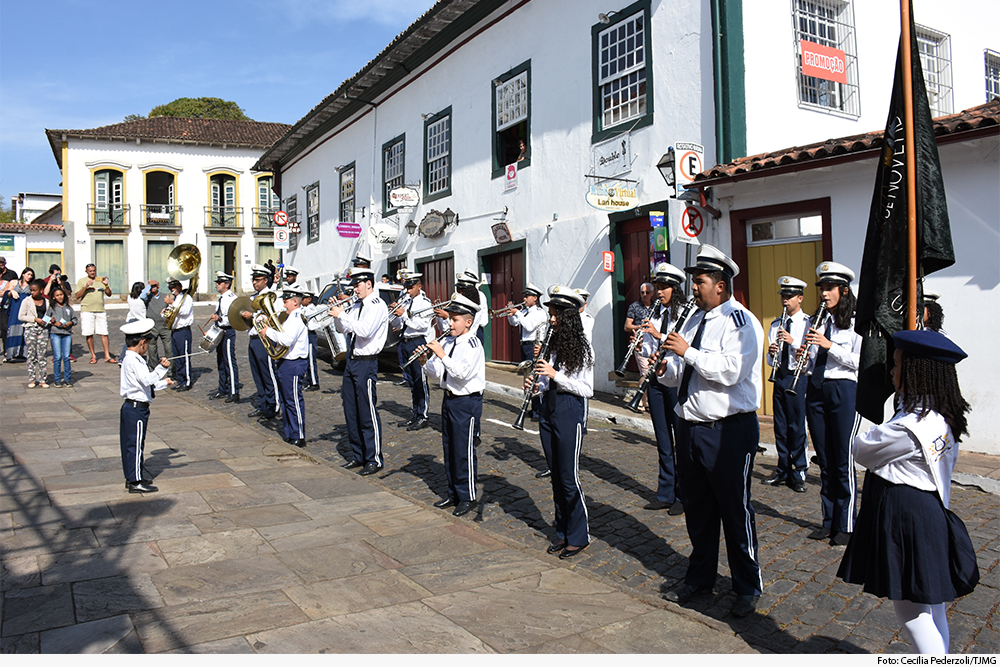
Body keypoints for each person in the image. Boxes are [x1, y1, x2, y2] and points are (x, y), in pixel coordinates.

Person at [838, 329, 976, 654]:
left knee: (911, 611)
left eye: (897, 364)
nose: (891, 371)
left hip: (906, 514)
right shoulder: (938, 414)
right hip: (926, 509)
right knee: (932, 606)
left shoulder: (912, 426)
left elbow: (862, 450)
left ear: (916, 372)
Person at [657, 244, 765, 619]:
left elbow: (731, 371)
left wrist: (687, 353)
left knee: (735, 510)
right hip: (689, 426)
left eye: (700, 281)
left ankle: (747, 585)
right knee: (698, 511)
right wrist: (664, 370)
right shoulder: (691, 320)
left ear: (720, 285)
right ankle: (699, 578)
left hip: (728, 430)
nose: (694, 288)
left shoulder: (741, 321)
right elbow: (680, 372)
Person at [532, 285, 594, 560]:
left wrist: (555, 375)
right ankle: (562, 531)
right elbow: (546, 381)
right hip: (549, 407)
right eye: (551, 315)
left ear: (568, 317)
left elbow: (586, 389)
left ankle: (580, 535)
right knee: (555, 475)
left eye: (556, 315)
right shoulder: (552, 346)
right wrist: (537, 384)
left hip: (569, 409)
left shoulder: (583, 349)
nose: (551, 320)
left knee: (569, 477)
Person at [803, 262, 862, 546]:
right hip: (817, 389)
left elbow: (860, 362)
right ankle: (828, 520)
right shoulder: (819, 320)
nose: (824, 294)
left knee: (842, 459)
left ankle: (846, 524)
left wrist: (829, 346)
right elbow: (815, 361)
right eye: (822, 289)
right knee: (824, 459)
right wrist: (804, 353)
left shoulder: (856, 321)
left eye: (829, 288)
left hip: (843, 389)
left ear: (844, 290)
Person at [420, 293, 486, 517]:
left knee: (463, 450)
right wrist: (425, 360)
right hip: (449, 399)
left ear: (468, 322)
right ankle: (453, 493)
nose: (450, 323)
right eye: (449, 318)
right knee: (449, 448)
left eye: (455, 319)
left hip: (466, 401)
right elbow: (436, 372)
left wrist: (441, 355)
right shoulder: (447, 341)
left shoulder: (473, 345)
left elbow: (462, 373)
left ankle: (468, 496)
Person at [330, 268, 389, 475]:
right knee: (351, 409)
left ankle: (374, 458)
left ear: (369, 284)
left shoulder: (376, 305)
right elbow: (342, 329)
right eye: (353, 286)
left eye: (357, 285)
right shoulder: (357, 305)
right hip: (352, 361)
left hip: (366, 362)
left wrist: (342, 315)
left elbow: (364, 330)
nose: (354, 289)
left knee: (367, 411)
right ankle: (358, 454)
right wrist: (338, 315)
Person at [639, 263, 688, 514]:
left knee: (681, 439)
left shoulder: (685, 314)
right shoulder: (655, 314)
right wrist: (644, 350)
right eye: (657, 287)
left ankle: (683, 494)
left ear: (675, 288)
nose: (659, 292)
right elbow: (650, 347)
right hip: (657, 381)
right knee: (663, 439)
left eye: (664, 288)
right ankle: (665, 491)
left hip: (676, 382)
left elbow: (680, 346)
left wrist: (658, 336)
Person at [763, 276, 811, 493]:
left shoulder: (808, 323)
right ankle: (783, 467)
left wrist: (792, 343)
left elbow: (810, 357)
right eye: (783, 296)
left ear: (799, 298)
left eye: (790, 296)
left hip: (798, 377)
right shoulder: (776, 324)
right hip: (780, 376)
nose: (785, 300)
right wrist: (771, 354)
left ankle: (799, 469)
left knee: (796, 426)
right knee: (780, 426)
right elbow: (769, 360)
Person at [119, 318, 172, 494]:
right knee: (136, 445)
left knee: (130, 444)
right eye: (147, 343)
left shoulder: (131, 358)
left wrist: (164, 382)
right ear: (142, 342)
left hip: (131, 406)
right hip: (136, 408)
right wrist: (161, 368)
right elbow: (147, 379)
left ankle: (132, 476)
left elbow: (144, 386)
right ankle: (135, 481)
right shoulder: (134, 360)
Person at [260, 288, 310, 448]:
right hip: (285, 362)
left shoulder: (296, 318)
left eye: (286, 301)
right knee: (285, 400)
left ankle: (299, 435)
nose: (283, 304)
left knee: (293, 400)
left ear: (295, 302)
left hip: (294, 363)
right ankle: (290, 432)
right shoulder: (289, 318)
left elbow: (287, 339)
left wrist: (268, 331)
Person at [394, 272, 435, 431]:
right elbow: (401, 323)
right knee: (411, 381)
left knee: (420, 380)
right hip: (405, 342)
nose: (408, 290)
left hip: (417, 341)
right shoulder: (406, 301)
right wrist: (396, 316)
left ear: (419, 286)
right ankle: (416, 412)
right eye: (406, 287)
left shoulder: (424, 302)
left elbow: (421, 325)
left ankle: (423, 415)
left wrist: (404, 315)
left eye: (411, 287)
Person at [240, 265, 282, 417]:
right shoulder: (252, 298)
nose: (254, 283)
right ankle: (264, 404)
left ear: (266, 280)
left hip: (265, 338)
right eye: (253, 280)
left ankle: (274, 405)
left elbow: (271, 318)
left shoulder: (271, 296)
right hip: (252, 337)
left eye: (258, 280)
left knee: (268, 374)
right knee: (257, 374)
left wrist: (251, 317)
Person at [506, 283, 546, 419]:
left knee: (535, 377)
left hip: (534, 345)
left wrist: (517, 312)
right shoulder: (524, 311)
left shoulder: (540, 313)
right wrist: (511, 313)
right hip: (524, 345)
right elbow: (514, 323)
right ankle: (533, 408)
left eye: (527, 296)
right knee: (528, 377)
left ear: (535, 298)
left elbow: (528, 326)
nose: (524, 298)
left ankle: (539, 410)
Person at [75, 263, 115, 364]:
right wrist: (86, 287)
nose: (92, 272)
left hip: (100, 310)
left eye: (94, 270)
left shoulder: (100, 280)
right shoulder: (82, 281)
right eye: (90, 271)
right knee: (89, 333)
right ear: (86, 271)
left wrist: (106, 284)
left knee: (104, 333)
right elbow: (77, 296)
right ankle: (93, 355)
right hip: (87, 310)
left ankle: (107, 355)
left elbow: (109, 294)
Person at [209, 272, 240, 402]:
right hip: (220, 331)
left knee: (229, 361)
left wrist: (219, 317)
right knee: (220, 361)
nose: (217, 284)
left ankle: (234, 391)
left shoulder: (231, 298)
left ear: (227, 284)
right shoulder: (221, 297)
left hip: (228, 331)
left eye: (219, 282)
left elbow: (233, 317)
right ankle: (223, 388)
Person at [625, 283, 655, 411]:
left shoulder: (656, 307)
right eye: (642, 292)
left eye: (647, 292)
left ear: (652, 293)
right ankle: (641, 401)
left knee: (651, 371)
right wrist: (641, 327)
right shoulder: (634, 306)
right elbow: (627, 326)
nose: (644, 295)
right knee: (645, 371)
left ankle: (646, 400)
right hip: (639, 343)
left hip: (653, 343)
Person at [19, 279, 51, 388]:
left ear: (41, 290)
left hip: (43, 330)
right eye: (31, 290)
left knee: (42, 355)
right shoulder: (27, 301)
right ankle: (32, 379)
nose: (32, 292)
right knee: (31, 354)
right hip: (31, 329)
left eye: (34, 290)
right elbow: (21, 316)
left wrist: (49, 320)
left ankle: (43, 379)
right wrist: (35, 319)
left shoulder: (46, 302)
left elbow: (49, 314)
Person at [165, 280, 194, 391]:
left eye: (174, 287)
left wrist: (172, 303)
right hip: (174, 331)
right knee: (177, 357)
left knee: (184, 357)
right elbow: (171, 314)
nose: (172, 289)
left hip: (183, 331)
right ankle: (180, 379)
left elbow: (184, 312)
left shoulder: (186, 298)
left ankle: (187, 381)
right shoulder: (176, 299)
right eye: (170, 287)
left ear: (180, 287)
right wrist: (165, 312)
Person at [48, 284, 77, 387]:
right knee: (57, 357)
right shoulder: (52, 308)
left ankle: (67, 379)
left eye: (61, 295)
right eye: (57, 295)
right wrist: (53, 323)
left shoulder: (68, 307)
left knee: (66, 356)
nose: (60, 297)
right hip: (55, 333)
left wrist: (70, 323)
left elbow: (75, 319)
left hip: (67, 334)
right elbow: (46, 319)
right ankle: (57, 379)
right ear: (53, 297)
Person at [3, 266, 34, 361]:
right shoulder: (14, 282)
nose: (29, 276)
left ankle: (24, 353)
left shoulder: (32, 285)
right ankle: (10, 353)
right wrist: (11, 292)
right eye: (28, 274)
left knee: (25, 331)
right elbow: (5, 294)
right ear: (23, 274)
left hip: (26, 309)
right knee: (12, 329)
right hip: (15, 308)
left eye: (31, 275)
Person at [143, 280, 172, 368]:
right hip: (152, 326)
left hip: (165, 326)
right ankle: (154, 368)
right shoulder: (147, 297)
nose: (153, 287)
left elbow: (172, 307)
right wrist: (148, 286)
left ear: (158, 286)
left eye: (154, 285)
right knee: (152, 349)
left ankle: (170, 369)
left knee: (169, 348)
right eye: (151, 286)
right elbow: (141, 296)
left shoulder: (165, 296)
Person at [455, 269, 488, 344]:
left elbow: (478, 319)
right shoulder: (458, 295)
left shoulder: (480, 296)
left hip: (475, 331)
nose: (459, 291)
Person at [119, 282, 147, 363]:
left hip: (131, 320)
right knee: (140, 341)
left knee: (129, 341)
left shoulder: (129, 297)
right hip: (140, 320)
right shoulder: (142, 298)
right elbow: (145, 293)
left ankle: (122, 358)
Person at [300, 290, 321, 392]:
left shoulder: (311, 309)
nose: (301, 300)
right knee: (306, 360)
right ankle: (310, 380)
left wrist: (305, 322)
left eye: (303, 299)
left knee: (311, 361)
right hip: (306, 335)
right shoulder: (305, 308)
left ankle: (314, 382)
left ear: (309, 299)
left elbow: (315, 325)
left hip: (310, 335)